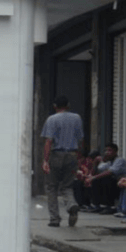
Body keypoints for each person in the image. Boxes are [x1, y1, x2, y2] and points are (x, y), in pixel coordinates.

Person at [41, 96, 84, 227]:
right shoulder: (77, 118)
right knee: (67, 185)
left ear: (55, 106)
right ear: (68, 105)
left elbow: (48, 141)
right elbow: (80, 140)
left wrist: (45, 160)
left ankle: (54, 219)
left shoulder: (51, 119)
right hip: (72, 155)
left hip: (56, 155)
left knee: (51, 187)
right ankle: (72, 205)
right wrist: (78, 158)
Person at [87, 143, 126, 215]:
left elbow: (110, 172)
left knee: (106, 179)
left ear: (115, 152)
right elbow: (97, 171)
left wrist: (93, 177)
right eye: (106, 150)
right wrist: (95, 163)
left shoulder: (119, 160)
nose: (107, 152)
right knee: (97, 180)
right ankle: (96, 205)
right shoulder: (109, 162)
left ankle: (110, 207)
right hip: (117, 184)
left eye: (109, 150)